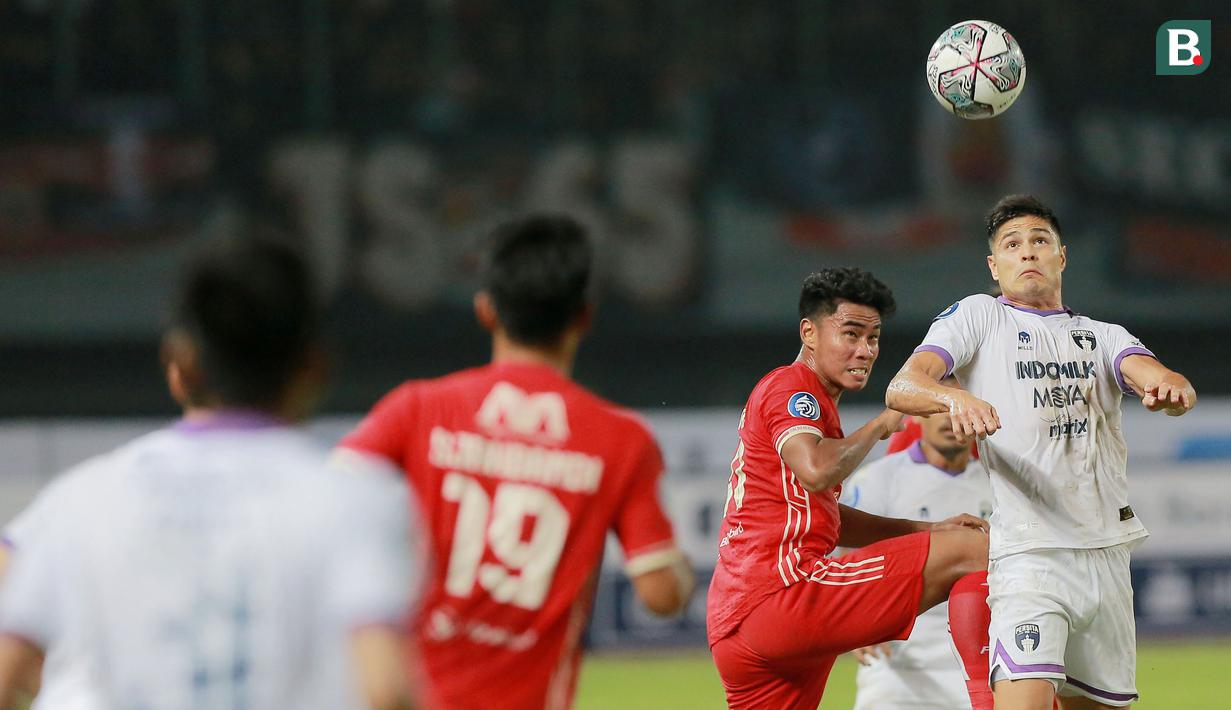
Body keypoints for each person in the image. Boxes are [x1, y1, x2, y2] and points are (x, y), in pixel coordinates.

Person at [0, 238, 419, 710]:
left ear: (179, 365)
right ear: (315, 366)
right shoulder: (359, 502)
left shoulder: (84, 497)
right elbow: (386, 688)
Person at [335, 214, 694, 710]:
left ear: (486, 311)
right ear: (584, 317)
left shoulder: (417, 408)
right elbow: (660, 594)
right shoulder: (622, 440)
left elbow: (325, 500)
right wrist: (681, 576)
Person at [887, 194, 1198, 710]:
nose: (1027, 251)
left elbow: (1165, 380)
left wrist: (1171, 391)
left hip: (1107, 555)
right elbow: (903, 387)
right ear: (994, 265)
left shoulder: (1103, 337)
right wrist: (955, 397)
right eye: (1012, 244)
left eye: (1040, 241)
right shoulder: (981, 316)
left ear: (1062, 256)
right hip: (1031, 556)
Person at [706, 267, 991, 710]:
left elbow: (826, 516)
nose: (865, 350)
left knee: (959, 544)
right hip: (783, 593)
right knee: (976, 550)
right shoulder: (792, 388)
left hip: (736, 624)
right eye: (851, 334)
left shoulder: (809, 404)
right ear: (809, 333)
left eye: (873, 337)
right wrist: (882, 424)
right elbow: (817, 471)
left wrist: (928, 530)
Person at [841, 383, 993, 710]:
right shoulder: (877, 480)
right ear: (918, 415)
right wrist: (854, 624)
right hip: (896, 665)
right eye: (939, 409)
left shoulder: (1000, 485)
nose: (949, 419)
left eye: (958, 409)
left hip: (982, 660)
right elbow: (850, 561)